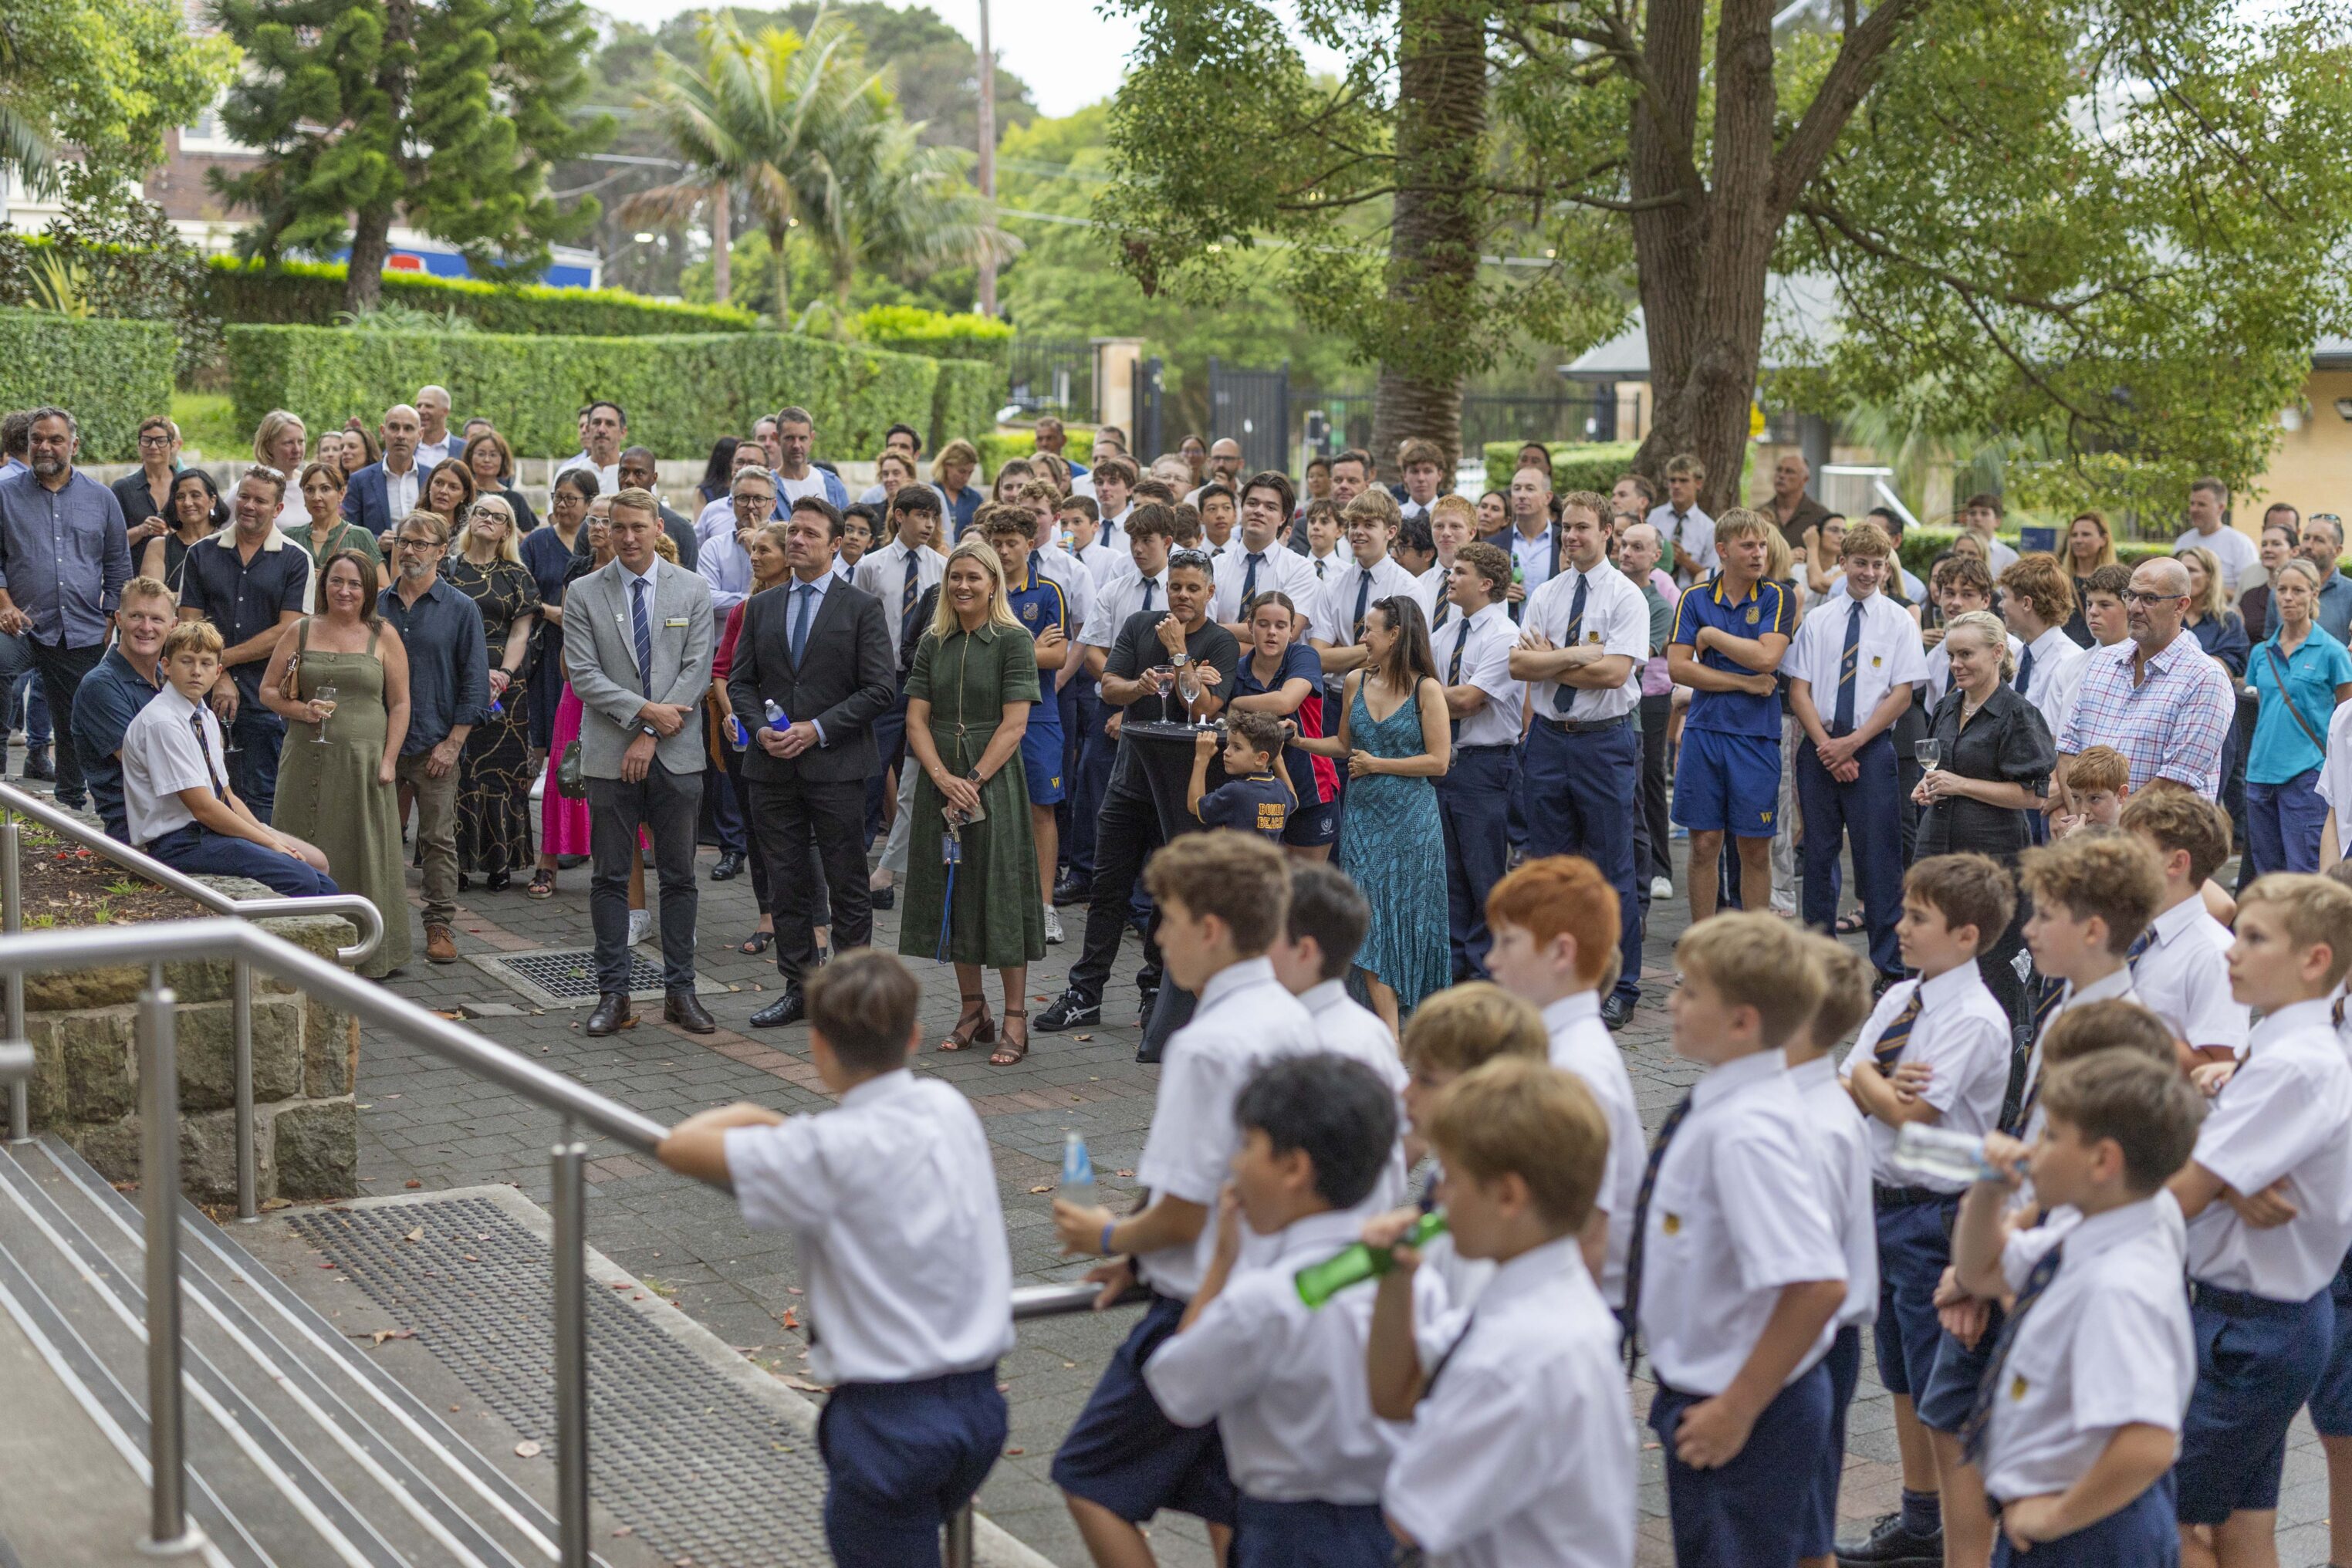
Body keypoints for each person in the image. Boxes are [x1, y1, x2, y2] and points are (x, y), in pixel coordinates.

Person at [654, 951, 1015, 1568]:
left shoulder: (823, 1152)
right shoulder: (947, 1108)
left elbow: (680, 1146)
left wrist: (749, 1113)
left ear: (818, 1047)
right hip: (979, 1407)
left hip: (891, 1421)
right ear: (915, 1037)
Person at [1049, 830, 1313, 1567]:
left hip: (1198, 1304)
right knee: (1226, 1493)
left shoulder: (1207, 1042)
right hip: (1268, 1293)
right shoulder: (1293, 1018)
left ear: (1209, 928)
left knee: (1090, 1476)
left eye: (1164, 917)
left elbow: (1183, 1206)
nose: (1156, 934)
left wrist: (1107, 1239)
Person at [1355, 1055, 1637, 1564]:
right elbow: (1396, 1395)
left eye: (1453, 1180)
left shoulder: (1515, 1356)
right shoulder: (1539, 1295)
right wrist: (1396, 1282)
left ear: (1508, 1196)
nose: (1437, 1195)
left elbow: (1405, 1516)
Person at [1634, 912, 1845, 1566]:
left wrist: (1737, 1407)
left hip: (1746, 1404)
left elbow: (1817, 1283)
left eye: (1691, 991)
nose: (1671, 1001)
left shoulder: (1747, 1132)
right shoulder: (1724, 1105)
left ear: (1743, 1022)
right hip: (1716, 1387)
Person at [1138, 1052, 1406, 1567]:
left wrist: (1218, 1268)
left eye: (1247, 1146)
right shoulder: (1406, 1276)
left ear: (1294, 1168)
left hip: (1290, 1536)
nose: (1235, 1165)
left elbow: (1176, 1388)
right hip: (1392, 1522)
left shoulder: (1263, 1302)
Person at [1832, 854, 2016, 1568]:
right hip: (1881, 1206)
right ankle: (1920, 1516)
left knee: (1945, 1388)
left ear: (1967, 935)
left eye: (1917, 918)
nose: (1900, 927)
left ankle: (1961, 1534)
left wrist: (1871, 1080)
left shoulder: (1972, 1018)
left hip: (1937, 1214)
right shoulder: (1903, 997)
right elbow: (1848, 1076)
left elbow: (1910, 1112)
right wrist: (1872, 1079)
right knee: (1902, 1371)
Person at [1947, 1054, 2202, 1566]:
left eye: (2051, 1136)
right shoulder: (2088, 1226)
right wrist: (1989, 1189)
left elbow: (2149, 1443)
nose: (2032, 1150)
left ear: (2103, 1161)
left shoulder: (2119, 1285)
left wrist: (2054, 1519)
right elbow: (1982, 1269)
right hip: (2076, 1518)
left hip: (2090, 1531)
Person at [2168, 874, 2352, 1562]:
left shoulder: (2296, 1063)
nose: (2230, 952)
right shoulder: (2277, 1042)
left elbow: (2184, 1191)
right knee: (2242, 1521)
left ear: (2315, 961)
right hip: (2256, 1319)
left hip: (2249, 1331)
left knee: (2162, 1516)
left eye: (2254, 938)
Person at [1038, 542, 1239, 1036]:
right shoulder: (1135, 625)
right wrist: (1140, 687)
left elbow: (1204, 707)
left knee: (1165, 896)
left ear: (1211, 592)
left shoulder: (1221, 643)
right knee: (1108, 889)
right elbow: (1110, 688)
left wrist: (1179, 654)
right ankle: (1085, 992)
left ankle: (1154, 989)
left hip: (1184, 790)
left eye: (1193, 588)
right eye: (1176, 586)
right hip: (1129, 779)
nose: (1183, 596)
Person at [729, 495, 894, 1026]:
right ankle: (799, 988)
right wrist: (759, 729)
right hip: (773, 768)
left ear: (835, 544)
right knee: (786, 880)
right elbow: (741, 683)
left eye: (808, 534)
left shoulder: (860, 607)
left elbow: (880, 689)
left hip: (837, 766)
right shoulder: (762, 606)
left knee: (847, 884)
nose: (796, 540)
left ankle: (850, 994)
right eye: (793, 531)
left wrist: (817, 729)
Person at [562, 488, 716, 1036]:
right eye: (617, 527)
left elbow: (699, 670)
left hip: (675, 755)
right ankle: (614, 995)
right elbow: (583, 674)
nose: (628, 537)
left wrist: (650, 731)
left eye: (638, 527)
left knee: (679, 878)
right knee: (607, 879)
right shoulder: (583, 593)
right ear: (605, 530)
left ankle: (681, 993)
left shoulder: (693, 588)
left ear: (658, 528)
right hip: (609, 756)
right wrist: (645, 714)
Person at [896, 538, 1047, 1062]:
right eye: (955, 577)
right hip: (941, 782)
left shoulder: (1013, 639)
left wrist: (973, 780)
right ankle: (971, 1009)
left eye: (973, 578)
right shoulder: (932, 641)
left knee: (1000, 892)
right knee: (952, 888)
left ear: (992, 584)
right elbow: (915, 719)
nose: (962, 586)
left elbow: (1016, 724)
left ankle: (1014, 1018)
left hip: (994, 782)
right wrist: (942, 778)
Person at [1481, 856, 1644, 1318]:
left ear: (1561, 954)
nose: (1491, 960)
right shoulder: (1557, 1047)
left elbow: (1588, 1230)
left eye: (1508, 943)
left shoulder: (1575, 1070)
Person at [1509, 492, 1647, 1026]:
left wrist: (1550, 661)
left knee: (1612, 867)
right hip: (1547, 740)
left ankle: (1622, 985)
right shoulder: (1546, 593)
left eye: (1583, 528)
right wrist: (1571, 657)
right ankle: (1556, 980)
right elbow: (1519, 665)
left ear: (1607, 531)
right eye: (1566, 528)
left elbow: (1615, 674)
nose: (1571, 537)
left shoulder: (1626, 597)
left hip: (1602, 742)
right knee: (1550, 870)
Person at [1292, 597, 1451, 1033]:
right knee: (1368, 916)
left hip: (1412, 823)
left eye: (1369, 630)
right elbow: (1344, 746)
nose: (1361, 639)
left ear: (1395, 635)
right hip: (1363, 817)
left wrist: (1379, 764)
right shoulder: (1356, 681)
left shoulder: (1427, 689)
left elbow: (1438, 762)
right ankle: (1387, 1032)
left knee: (1407, 919)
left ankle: (1402, 1029)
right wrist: (1300, 741)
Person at [259, 550, 414, 977]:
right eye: (336, 582)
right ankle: (298, 946)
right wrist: (301, 711)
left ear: (368, 590)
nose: (344, 591)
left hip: (364, 761)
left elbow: (400, 704)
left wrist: (389, 761)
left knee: (362, 847)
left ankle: (370, 950)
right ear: (324, 585)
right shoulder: (300, 630)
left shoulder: (383, 635)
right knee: (297, 844)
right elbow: (268, 692)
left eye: (354, 584)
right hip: (306, 756)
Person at [1789, 521, 1925, 983]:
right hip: (1820, 749)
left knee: (1879, 858)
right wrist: (1828, 746)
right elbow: (1800, 690)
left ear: (1888, 569)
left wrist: (1854, 742)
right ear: (1842, 563)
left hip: (1870, 750)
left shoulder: (1898, 622)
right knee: (1820, 855)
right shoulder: (1820, 620)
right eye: (1860, 563)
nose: (1869, 573)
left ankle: (1889, 967)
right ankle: (1820, 964)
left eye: (1878, 565)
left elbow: (1901, 694)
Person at [121, 619, 337, 897]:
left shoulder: (205, 717)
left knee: (322, 877)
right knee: (302, 880)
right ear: (166, 666)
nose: (196, 672)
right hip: (177, 843)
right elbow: (204, 808)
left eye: (206, 664)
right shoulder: (162, 722)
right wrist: (269, 845)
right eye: (186, 661)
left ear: (218, 671)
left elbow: (225, 794)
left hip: (206, 833)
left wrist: (266, 833)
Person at [1786, 937, 1879, 1568]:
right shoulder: (1812, 1106)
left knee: (1801, 1515)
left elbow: (1810, 1275)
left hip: (1811, 1337)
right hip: (1815, 1333)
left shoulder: (1811, 1124)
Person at [1914, 610, 2053, 1029]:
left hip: (1994, 858)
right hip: (1938, 847)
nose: (1956, 664)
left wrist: (1960, 784)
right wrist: (1930, 786)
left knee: (1993, 969)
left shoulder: (2017, 715)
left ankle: (2003, 1078)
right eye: (1952, 655)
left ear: (1997, 653)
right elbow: (1943, 769)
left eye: (1966, 654)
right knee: (1937, 959)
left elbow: (2033, 796)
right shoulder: (1947, 705)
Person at [0, 407, 131, 813]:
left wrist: (112, 615)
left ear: (73, 445)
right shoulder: (5, 496)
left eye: (55, 439)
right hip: (18, 623)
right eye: (37, 439)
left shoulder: (101, 498)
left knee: (75, 721)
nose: (44, 446)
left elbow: (117, 563)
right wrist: (3, 602)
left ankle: (71, 804)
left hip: (80, 628)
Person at [1668, 508, 1794, 924]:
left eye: (1762, 545)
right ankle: (1703, 949)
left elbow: (1766, 657)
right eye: (1748, 545)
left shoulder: (1777, 596)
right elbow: (1679, 669)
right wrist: (1742, 683)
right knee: (1704, 843)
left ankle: (1754, 952)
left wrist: (1711, 637)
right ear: (1722, 550)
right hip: (1705, 731)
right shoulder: (1694, 597)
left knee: (1754, 847)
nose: (1759, 553)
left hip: (1756, 737)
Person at [177, 466, 316, 823]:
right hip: (201, 695)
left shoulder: (296, 559)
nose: (249, 506)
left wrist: (222, 663)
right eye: (244, 496)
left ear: (279, 509)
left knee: (261, 796)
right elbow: (190, 624)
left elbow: (288, 632)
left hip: (265, 697)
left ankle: (261, 876)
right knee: (200, 791)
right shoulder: (200, 553)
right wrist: (218, 676)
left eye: (260, 500)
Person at [377, 511, 485, 965]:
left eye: (422, 544)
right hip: (379, 744)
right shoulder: (374, 605)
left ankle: (439, 924)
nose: (410, 551)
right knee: (378, 837)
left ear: (443, 551)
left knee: (437, 840)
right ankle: (378, 922)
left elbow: (475, 682)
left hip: (434, 745)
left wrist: (453, 743)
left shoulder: (461, 609)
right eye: (405, 541)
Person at [2056, 557, 2241, 809]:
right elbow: (2068, 750)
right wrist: (2083, 820)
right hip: (2090, 839)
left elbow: (2175, 783)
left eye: (2150, 599)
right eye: (2130, 596)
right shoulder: (2103, 662)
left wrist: (2104, 826)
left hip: (2159, 840)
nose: (2134, 608)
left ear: (2180, 606)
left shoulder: (2205, 677)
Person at [1424, 542, 1520, 978]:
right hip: (1445, 763)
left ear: (1486, 583)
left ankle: (1487, 972)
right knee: (1448, 875)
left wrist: (1420, 696)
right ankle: (1455, 968)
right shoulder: (1445, 633)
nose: (1450, 577)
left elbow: (1468, 700)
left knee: (1483, 874)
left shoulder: (1504, 636)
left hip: (1485, 764)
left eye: (1459, 572)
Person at [984, 510, 1077, 943]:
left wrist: (1000, 654)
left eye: (1012, 542)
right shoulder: (980, 589)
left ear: (1029, 544)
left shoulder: (1049, 591)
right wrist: (1027, 649)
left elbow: (1057, 657)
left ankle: (1044, 907)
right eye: (997, 542)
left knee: (1042, 807)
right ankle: (994, 902)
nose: (1004, 551)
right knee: (987, 808)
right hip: (988, 713)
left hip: (1039, 714)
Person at [444, 495, 541, 890]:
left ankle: (502, 863)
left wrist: (501, 672)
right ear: (471, 520)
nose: (487, 519)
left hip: (508, 686)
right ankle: (458, 864)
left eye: (497, 516)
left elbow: (522, 632)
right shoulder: (448, 570)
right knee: (460, 772)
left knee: (504, 775)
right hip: (457, 679)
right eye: (481, 512)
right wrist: (474, 672)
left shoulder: (518, 575)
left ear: (507, 530)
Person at [2246, 558, 2352, 874]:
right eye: (2282, 589)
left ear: (2314, 594)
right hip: (2259, 774)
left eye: (2298, 590)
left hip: (2306, 776)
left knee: (2304, 870)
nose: (2288, 597)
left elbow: (2345, 719)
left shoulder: (2333, 651)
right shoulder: (2260, 653)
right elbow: (2263, 709)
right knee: (2268, 875)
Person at [70, 578, 171, 844]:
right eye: (136, 616)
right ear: (119, 619)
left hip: (181, 816)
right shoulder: (101, 685)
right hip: (144, 830)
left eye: (156, 619)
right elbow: (151, 769)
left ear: (173, 625)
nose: (146, 627)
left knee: (285, 848)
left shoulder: (171, 678)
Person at [1617, 522, 1681, 898]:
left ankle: (1660, 867)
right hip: (1615, 698)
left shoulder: (1658, 603)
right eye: (1624, 545)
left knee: (1650, 780)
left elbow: (1631, 659)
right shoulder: (1608, 590)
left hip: (1652, 696)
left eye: (1638, 547)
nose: (1627, 553)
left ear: (1656, 556)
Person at [522, 469, 597, 771]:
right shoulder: (537, 543)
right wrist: (552, 613)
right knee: (537, 730)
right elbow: (521, 592)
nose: (562, 505)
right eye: (558, 497)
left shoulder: (599, 544)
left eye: (571, 498)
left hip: (583, 651)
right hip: (545, 650)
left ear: (589, 503)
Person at [1999, 553, 2090, 752]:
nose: (2000, 605)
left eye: (2005, 597)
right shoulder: (2017, 654)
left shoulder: (2070, 662)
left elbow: (2063, 739)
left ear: (2026, 603)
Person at [1184, 711, 1291, 840]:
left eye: (1237, 748)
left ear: (1262, 758)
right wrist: (1277, 758)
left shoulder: (1236, 791)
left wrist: (1201, 758)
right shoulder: (1280, 788)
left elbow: (1195, 806)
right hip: (1266, 860)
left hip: (1236, 860)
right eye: (1228, 744)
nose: (1226, 752)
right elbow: (1294, 799)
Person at [283, 461, 382, 578]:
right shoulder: (290, 538)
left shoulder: (360, 537)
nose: (316, 497)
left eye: (325, 489)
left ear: (341, 494)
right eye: (310, 490)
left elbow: (382, 588)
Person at [341, 404, 425, 541]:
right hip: (378, 560)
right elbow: (348, 531)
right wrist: (376, 542)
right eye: (394, 427)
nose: (400, 435)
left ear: (420, 434)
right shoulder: (360, 480)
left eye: (408, 429)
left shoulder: (432, 477)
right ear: (382, 431)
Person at [140, 468, 225, 595]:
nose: (187, 503)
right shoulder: (159, 547)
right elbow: (151, 597)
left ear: (212, 501)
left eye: (196, 495)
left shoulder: (229, 543)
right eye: (180, 497)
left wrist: (174, 596)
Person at [616, 446, 698, 569]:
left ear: (654, 478)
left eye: (639, 473)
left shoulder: (681, 528)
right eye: (624, 472)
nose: (629, 480)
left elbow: (689, 583)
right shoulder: (599, 522)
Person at [2173, 475, 2257, 594]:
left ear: (2220, 508)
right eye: (2192, 503)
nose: (2194, 509)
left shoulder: (2241, 544)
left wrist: (2207, 589)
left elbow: (2250, 593)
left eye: (2201, 505)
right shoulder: (2182, 542)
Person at [1499, 461, 1560, 620]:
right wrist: (1499, 595)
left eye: (1530, 489)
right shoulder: (1494, 544)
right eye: (1517, 489)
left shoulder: (1564, 541)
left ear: (1547, 497)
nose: (1522, 495)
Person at [112, 415, 181, 552]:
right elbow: (110, 543)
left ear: (172, 445)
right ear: (139, 445)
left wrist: (171, 532)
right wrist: (141, 530)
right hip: (136, 571)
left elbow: (202, 536)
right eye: (146, 440)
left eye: (161, 441)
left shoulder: (186, 487)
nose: (153, 446)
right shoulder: (122, 489)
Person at [771, 404, 851, 511]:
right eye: (789, 438)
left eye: (802, 438)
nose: (796, 445)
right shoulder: (766, 488)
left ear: (812, 438)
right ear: (777, 438)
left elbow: (846, 524)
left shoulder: (832, 485)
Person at [2237, 515, 2300, 645]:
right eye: (2264, 544)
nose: (2268, 549)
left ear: (2294, 551)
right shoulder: (2250, 596)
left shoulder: (2304, 594)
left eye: (2276, 544)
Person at [463, 430, 539, 536]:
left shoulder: (516, 499)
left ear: (503, 459)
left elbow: (527, 543)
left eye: (493, 455)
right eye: (481, 454)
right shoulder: (462, 493)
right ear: (470, 457)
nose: (487, 460)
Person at [2061, 511, 2119, 644]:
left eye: (2086, 534)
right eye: (2074, 535)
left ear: (2103, 539)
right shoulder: (2060, 580)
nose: (2078, 540)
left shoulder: (2117, 582)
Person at [252, 410, 310, 532]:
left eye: (301, 441)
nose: (297, 449)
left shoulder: (311, 484)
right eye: (288, 443)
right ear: (269, 445)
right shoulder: (250, 486)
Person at [2301, 513, 2352, 644]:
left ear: (2338, 550)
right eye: (2306, 538)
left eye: (2319, 540)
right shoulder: (2281, 591)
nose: (2308, 545)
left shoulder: (2350, 593)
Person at [554, 400, 625, 492]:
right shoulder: (567, 474)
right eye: (597, 423)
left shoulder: (637, 476)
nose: (602, 430)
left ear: (623, 433)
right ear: (588, 429)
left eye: (609, 424)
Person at [411, 384, 457, 470]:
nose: (421, 411)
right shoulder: (404, 447)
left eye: (429, 406)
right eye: (418, 406)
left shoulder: (464, 450)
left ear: (445, 412)